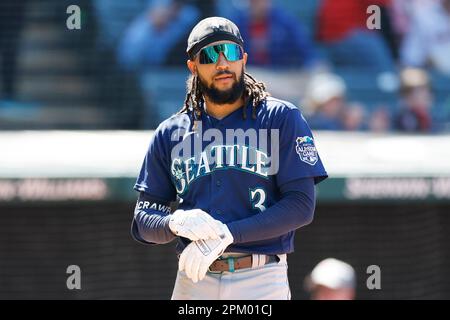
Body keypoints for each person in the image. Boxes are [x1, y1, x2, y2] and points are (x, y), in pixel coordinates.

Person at [131, 17, 328, 300]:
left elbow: (301, 205)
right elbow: (143, 220)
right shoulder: (170, 132)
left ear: (243, 59)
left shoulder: (280, 118)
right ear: (193, 66)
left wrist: (229, 233)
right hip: (195, 276)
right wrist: (175, 222)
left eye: (231, 52)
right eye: (210, 54)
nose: (222, 63)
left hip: (261, 279)